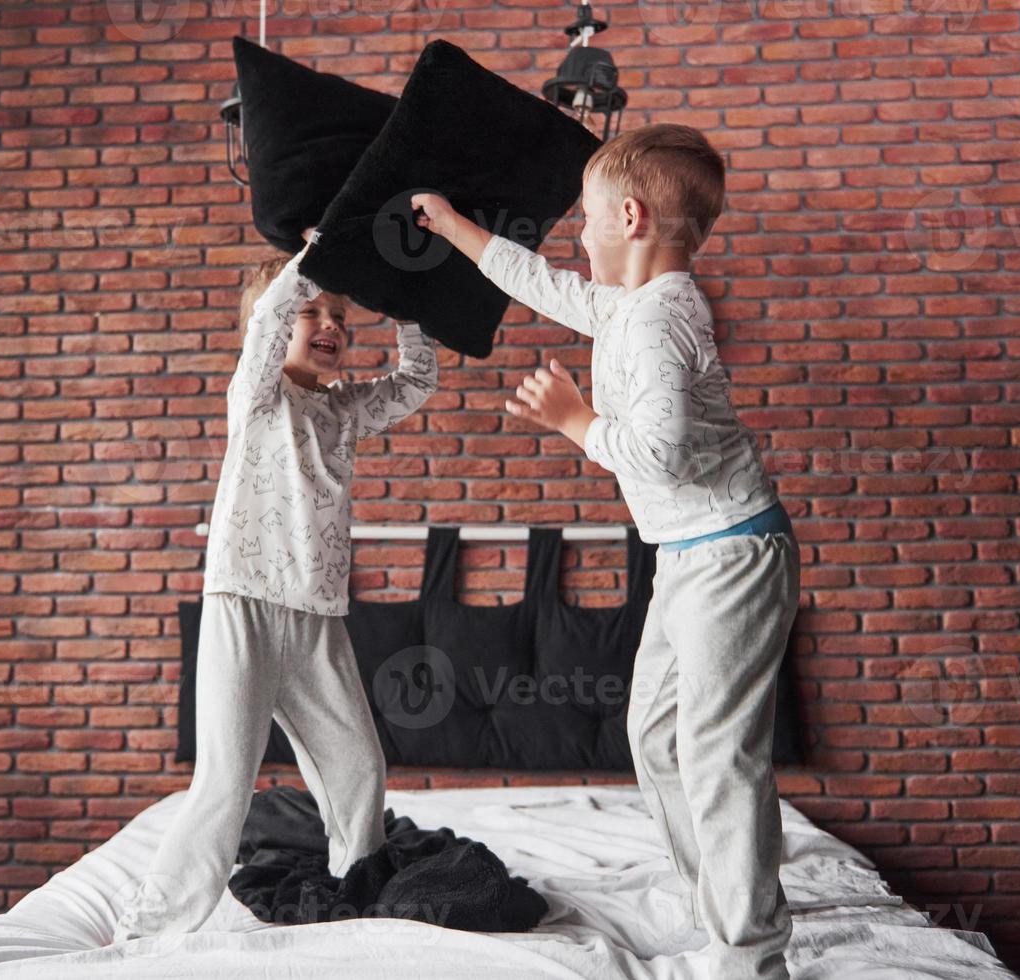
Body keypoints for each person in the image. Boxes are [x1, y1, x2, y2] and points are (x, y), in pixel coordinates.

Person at [412, 123, 799, 978]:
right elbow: (538, 279)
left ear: (627, 217)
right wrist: (450, 226)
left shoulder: (663, 319)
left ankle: (752, 955)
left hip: (729, 555)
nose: (577, 237)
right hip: (690, 555)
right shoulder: (627, 304)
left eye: (585, 221)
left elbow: (660, 452)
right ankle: (717, 907)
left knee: (716, 752)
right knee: (656, 735)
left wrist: (573, 420)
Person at [114, 235, 439, 941]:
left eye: (342, 319)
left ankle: (356, 894)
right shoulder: (256, 396)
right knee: (226, 783)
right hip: (247, 606)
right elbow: (267, 322)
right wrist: (314, 259)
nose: (330, 327)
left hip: (318, 618)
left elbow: (417, 381)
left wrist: (402, 304)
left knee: (358, 771)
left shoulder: (345, 408)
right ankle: (147, 930)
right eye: (312, 313)